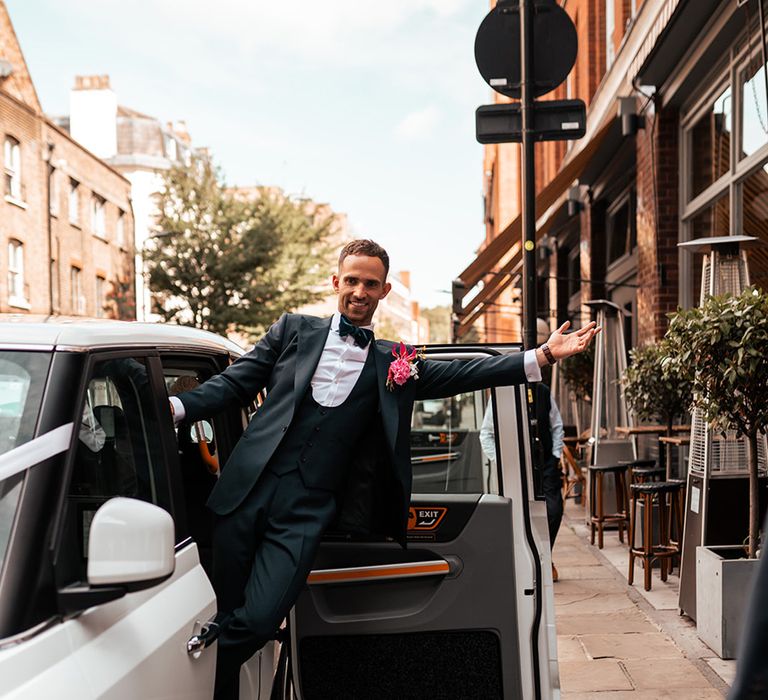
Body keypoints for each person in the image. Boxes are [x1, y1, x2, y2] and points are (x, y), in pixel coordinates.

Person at [169, 239, 599, 698]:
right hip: (243, 495)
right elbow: (234, 385)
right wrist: (172, 407)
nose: (359, 291)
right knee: (218, 613)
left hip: (304, 514)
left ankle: (179, 681)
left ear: (384, 290)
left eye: (370, 284)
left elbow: (464, 374)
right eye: (351, 280)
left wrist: (544, 356)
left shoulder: (396, 361)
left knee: (254, 622)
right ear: (336, 282)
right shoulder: (291, 330)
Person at [480, 384, 565, 581]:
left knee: (554, 510)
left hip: (545, 463)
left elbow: (557, 425)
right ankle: (530, 562)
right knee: (520, 514)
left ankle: (545, 556)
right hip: (516, 468)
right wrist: (501, 461)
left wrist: (555, 455)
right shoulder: (500, 393)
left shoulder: (542, 391)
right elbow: (486, 434)